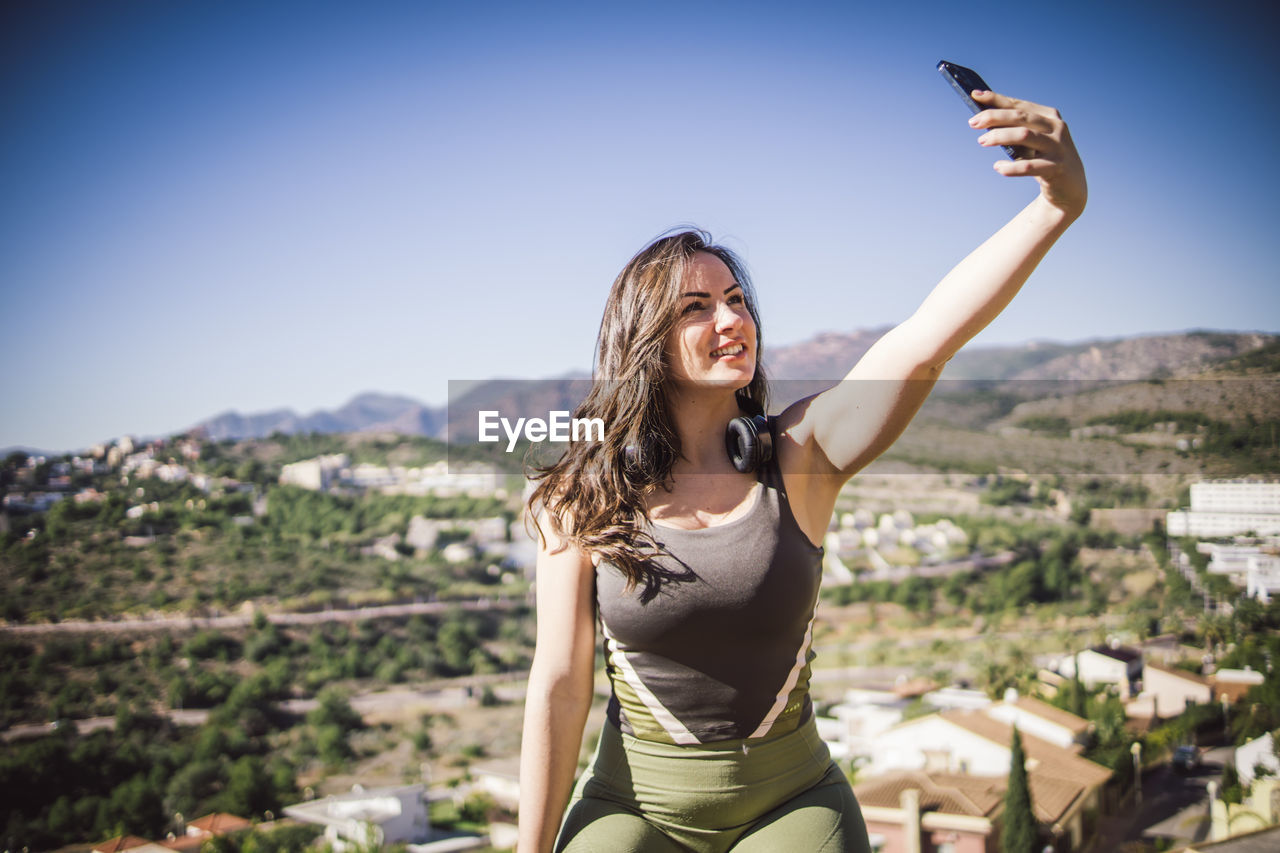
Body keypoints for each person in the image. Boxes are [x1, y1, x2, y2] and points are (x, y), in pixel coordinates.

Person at [516, 87, 1086, 853]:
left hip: (792, 807)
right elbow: (558, 683)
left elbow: (922, 343)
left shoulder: (800, 456)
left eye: (736, 298)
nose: (732, 319)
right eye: (695, 307)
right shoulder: (577, 496)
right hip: (634, 807)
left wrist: (1056, 205)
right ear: (644, 340)